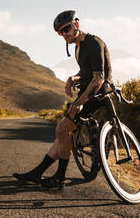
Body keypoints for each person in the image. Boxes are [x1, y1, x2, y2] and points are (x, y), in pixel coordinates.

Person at [13, 10, 113, 189]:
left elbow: (98, 79)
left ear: (76, 24)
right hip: (87, 93)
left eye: (66, 29)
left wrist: (79, 102)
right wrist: (71, 79)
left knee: (62, 128)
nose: (63, 34)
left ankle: (58, 177)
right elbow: (84, 74)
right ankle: (38, 173)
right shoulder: (78, 47)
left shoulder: (93, 42)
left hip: (98, 95)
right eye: (60, 32)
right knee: (61, 132)